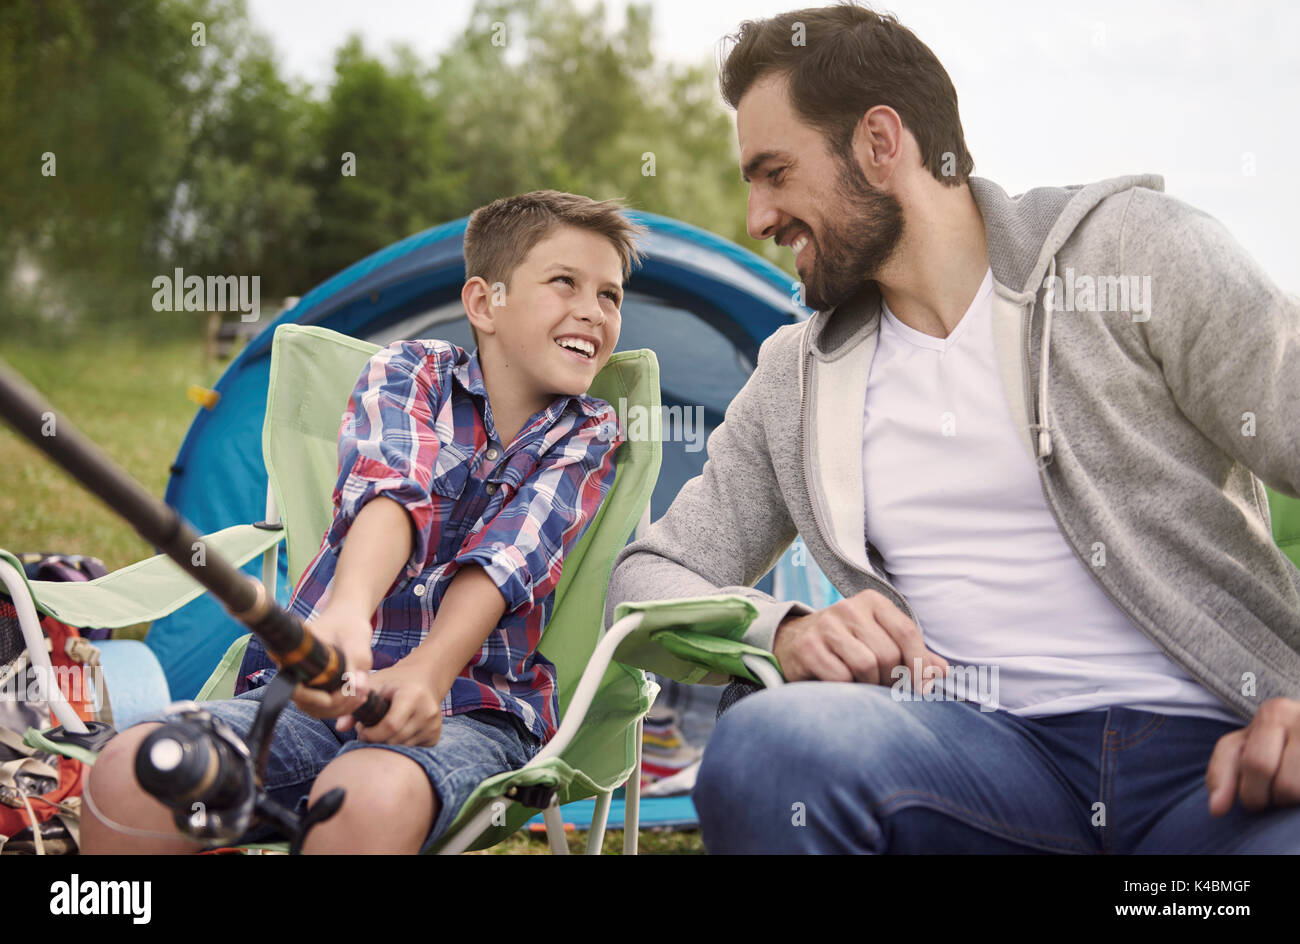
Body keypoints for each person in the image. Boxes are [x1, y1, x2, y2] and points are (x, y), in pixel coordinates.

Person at [605, 4, 1300, 853]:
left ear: (880, 142)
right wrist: (783, 631)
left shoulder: (1130, 255)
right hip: (978, 764)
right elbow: (641, 583)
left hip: (1223, 767)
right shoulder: (794, 379)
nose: (757, 217)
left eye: (774, 172)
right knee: (767, 749)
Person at [84, 190, 644, 854]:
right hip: (311, 697)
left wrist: (427, 675)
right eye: (564, 283)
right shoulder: (410, 372)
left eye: (610, 296)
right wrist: (347, 614)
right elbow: (391, 490)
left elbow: (508, 557)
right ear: (483, 303)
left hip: (468, 711)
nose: (592, 309)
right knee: (134, 771)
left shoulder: (589, 431)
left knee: (363, 796)